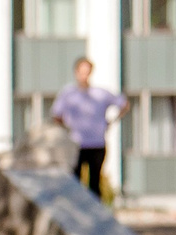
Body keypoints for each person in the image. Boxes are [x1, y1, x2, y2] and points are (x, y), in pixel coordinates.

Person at [51, 57, 127, 199]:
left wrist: (111, 121)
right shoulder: (69, 94)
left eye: (87, 72)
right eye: (81, 71)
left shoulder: (100, 94)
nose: (84, 75)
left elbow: (124, 104)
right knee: (75, 182)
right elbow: (56, 115)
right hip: (76, 144)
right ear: (76, 72)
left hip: (96, 144)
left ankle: (95, 217)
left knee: (94, 184)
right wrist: (67, 130)